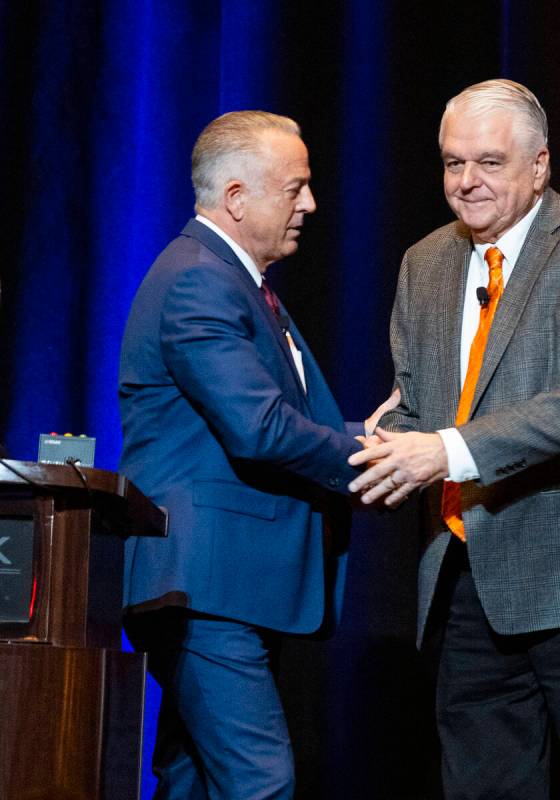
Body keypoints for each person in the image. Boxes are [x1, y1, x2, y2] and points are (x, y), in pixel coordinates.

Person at [349, 79, 560, 798]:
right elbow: (417, 405)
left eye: (489, 162)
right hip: (469, 589)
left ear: (539, 166)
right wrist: (385, 445)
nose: (466, 181)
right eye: (451, 163)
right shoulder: (424, 262)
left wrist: (442, 449)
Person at [119, 110, 396, 799]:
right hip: (207, 585)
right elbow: (259, 428)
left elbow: (277, 417)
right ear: (237, 198)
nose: (310, 204)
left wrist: (368, 435)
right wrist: (370, 457)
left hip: (226, 584)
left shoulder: (238, 282)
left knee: (192, 781)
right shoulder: (199, 280)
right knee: (259, 784)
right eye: (294, 187)